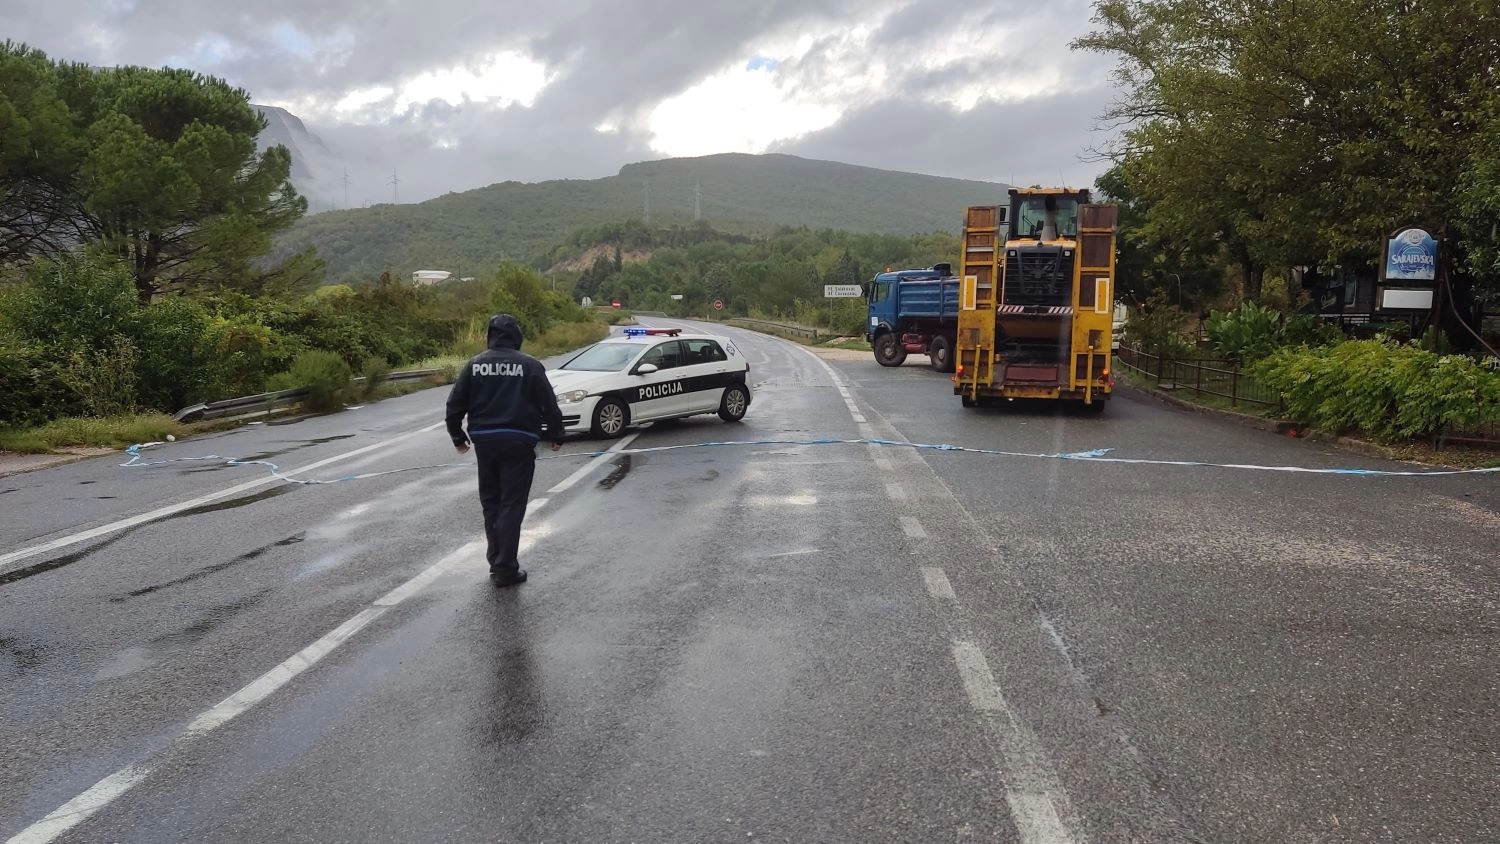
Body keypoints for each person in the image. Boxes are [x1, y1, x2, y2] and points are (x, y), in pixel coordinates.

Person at [445, 314, 565, 587]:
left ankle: (495, 560)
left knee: (491, 503)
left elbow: (455, 405)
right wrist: (557, 434)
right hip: (519, 442)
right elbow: (549, 404)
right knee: (511, 505)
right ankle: (505, 568)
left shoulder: (474, 365)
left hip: (485, 443)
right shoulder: (530, 366)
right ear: (516, 336)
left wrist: (457, 436)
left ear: (490, 335)